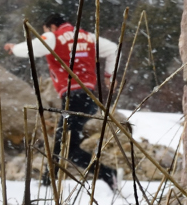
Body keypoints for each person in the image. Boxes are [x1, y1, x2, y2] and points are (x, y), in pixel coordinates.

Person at [7, 14, 119, 187]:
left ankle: (105, 174)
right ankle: (50, 180)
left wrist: (14, 49)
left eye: (45, 30)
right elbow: (113, 49)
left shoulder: (54, 36)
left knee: (66, 146)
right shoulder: (87, 36)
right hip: (89, 97)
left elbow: (33, 47)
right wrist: (109, 75)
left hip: (74, 96)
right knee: (65, 144)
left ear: (51, 27)